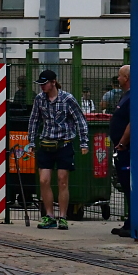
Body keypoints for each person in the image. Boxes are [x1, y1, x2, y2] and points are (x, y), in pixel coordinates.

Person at [27, 69, 89, 230]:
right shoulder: (39, 99)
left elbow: (80, 120)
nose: (42, 87)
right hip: (46, 144)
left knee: (62, 180)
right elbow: (34, 120)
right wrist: (31, 142)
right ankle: (49, 215)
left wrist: (84, 143)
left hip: (64, 144)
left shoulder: (67, 99)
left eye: (44, 83)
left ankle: (63, 216)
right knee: (44, 180)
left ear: (53, 82)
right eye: (40, 84)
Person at [111, 65, 132, 238]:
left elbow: (131, 123)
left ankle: (132, 223)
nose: (117, 79)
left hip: (126, 149)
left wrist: (123, 143)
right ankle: (128, 222)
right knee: (124, 185)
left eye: (119, 76)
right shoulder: (124, 96)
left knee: (128, 185)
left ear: (126, 78)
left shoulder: (132, 97)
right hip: (120, 149)